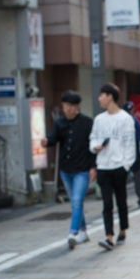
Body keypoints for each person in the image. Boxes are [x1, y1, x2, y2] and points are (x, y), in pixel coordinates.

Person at [41, 90, 96, 250]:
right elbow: (53, 138)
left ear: (78, 106)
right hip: (66, 170)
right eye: (66, 106)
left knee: (77, 201)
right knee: (75, 202)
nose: (68, 109)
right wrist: (46, 141)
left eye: (72, 106)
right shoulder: (59, 123)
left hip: (82, 169)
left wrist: (93, 167)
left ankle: (73, 233)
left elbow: (93, 146)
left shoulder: (87, 123)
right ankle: (83, 232)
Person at [90, 82, 136, 251]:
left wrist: (126, 165)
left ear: (110, 97)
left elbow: (130, 144)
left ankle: (123, 229)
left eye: (102, 95)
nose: (99, 98)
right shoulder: (99, 119)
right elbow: (93, 138)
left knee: (121, 201)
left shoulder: (125, 118)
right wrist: (95, 147)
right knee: (107, 203)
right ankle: (109, 236)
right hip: (103, 166)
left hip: (119, 167)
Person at [123, 100, 140, 208]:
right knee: (138, 176)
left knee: (122, 179)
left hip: (123, 152)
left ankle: (122, 203)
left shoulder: (121, 121)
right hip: (135, 151)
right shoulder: (134, 120)